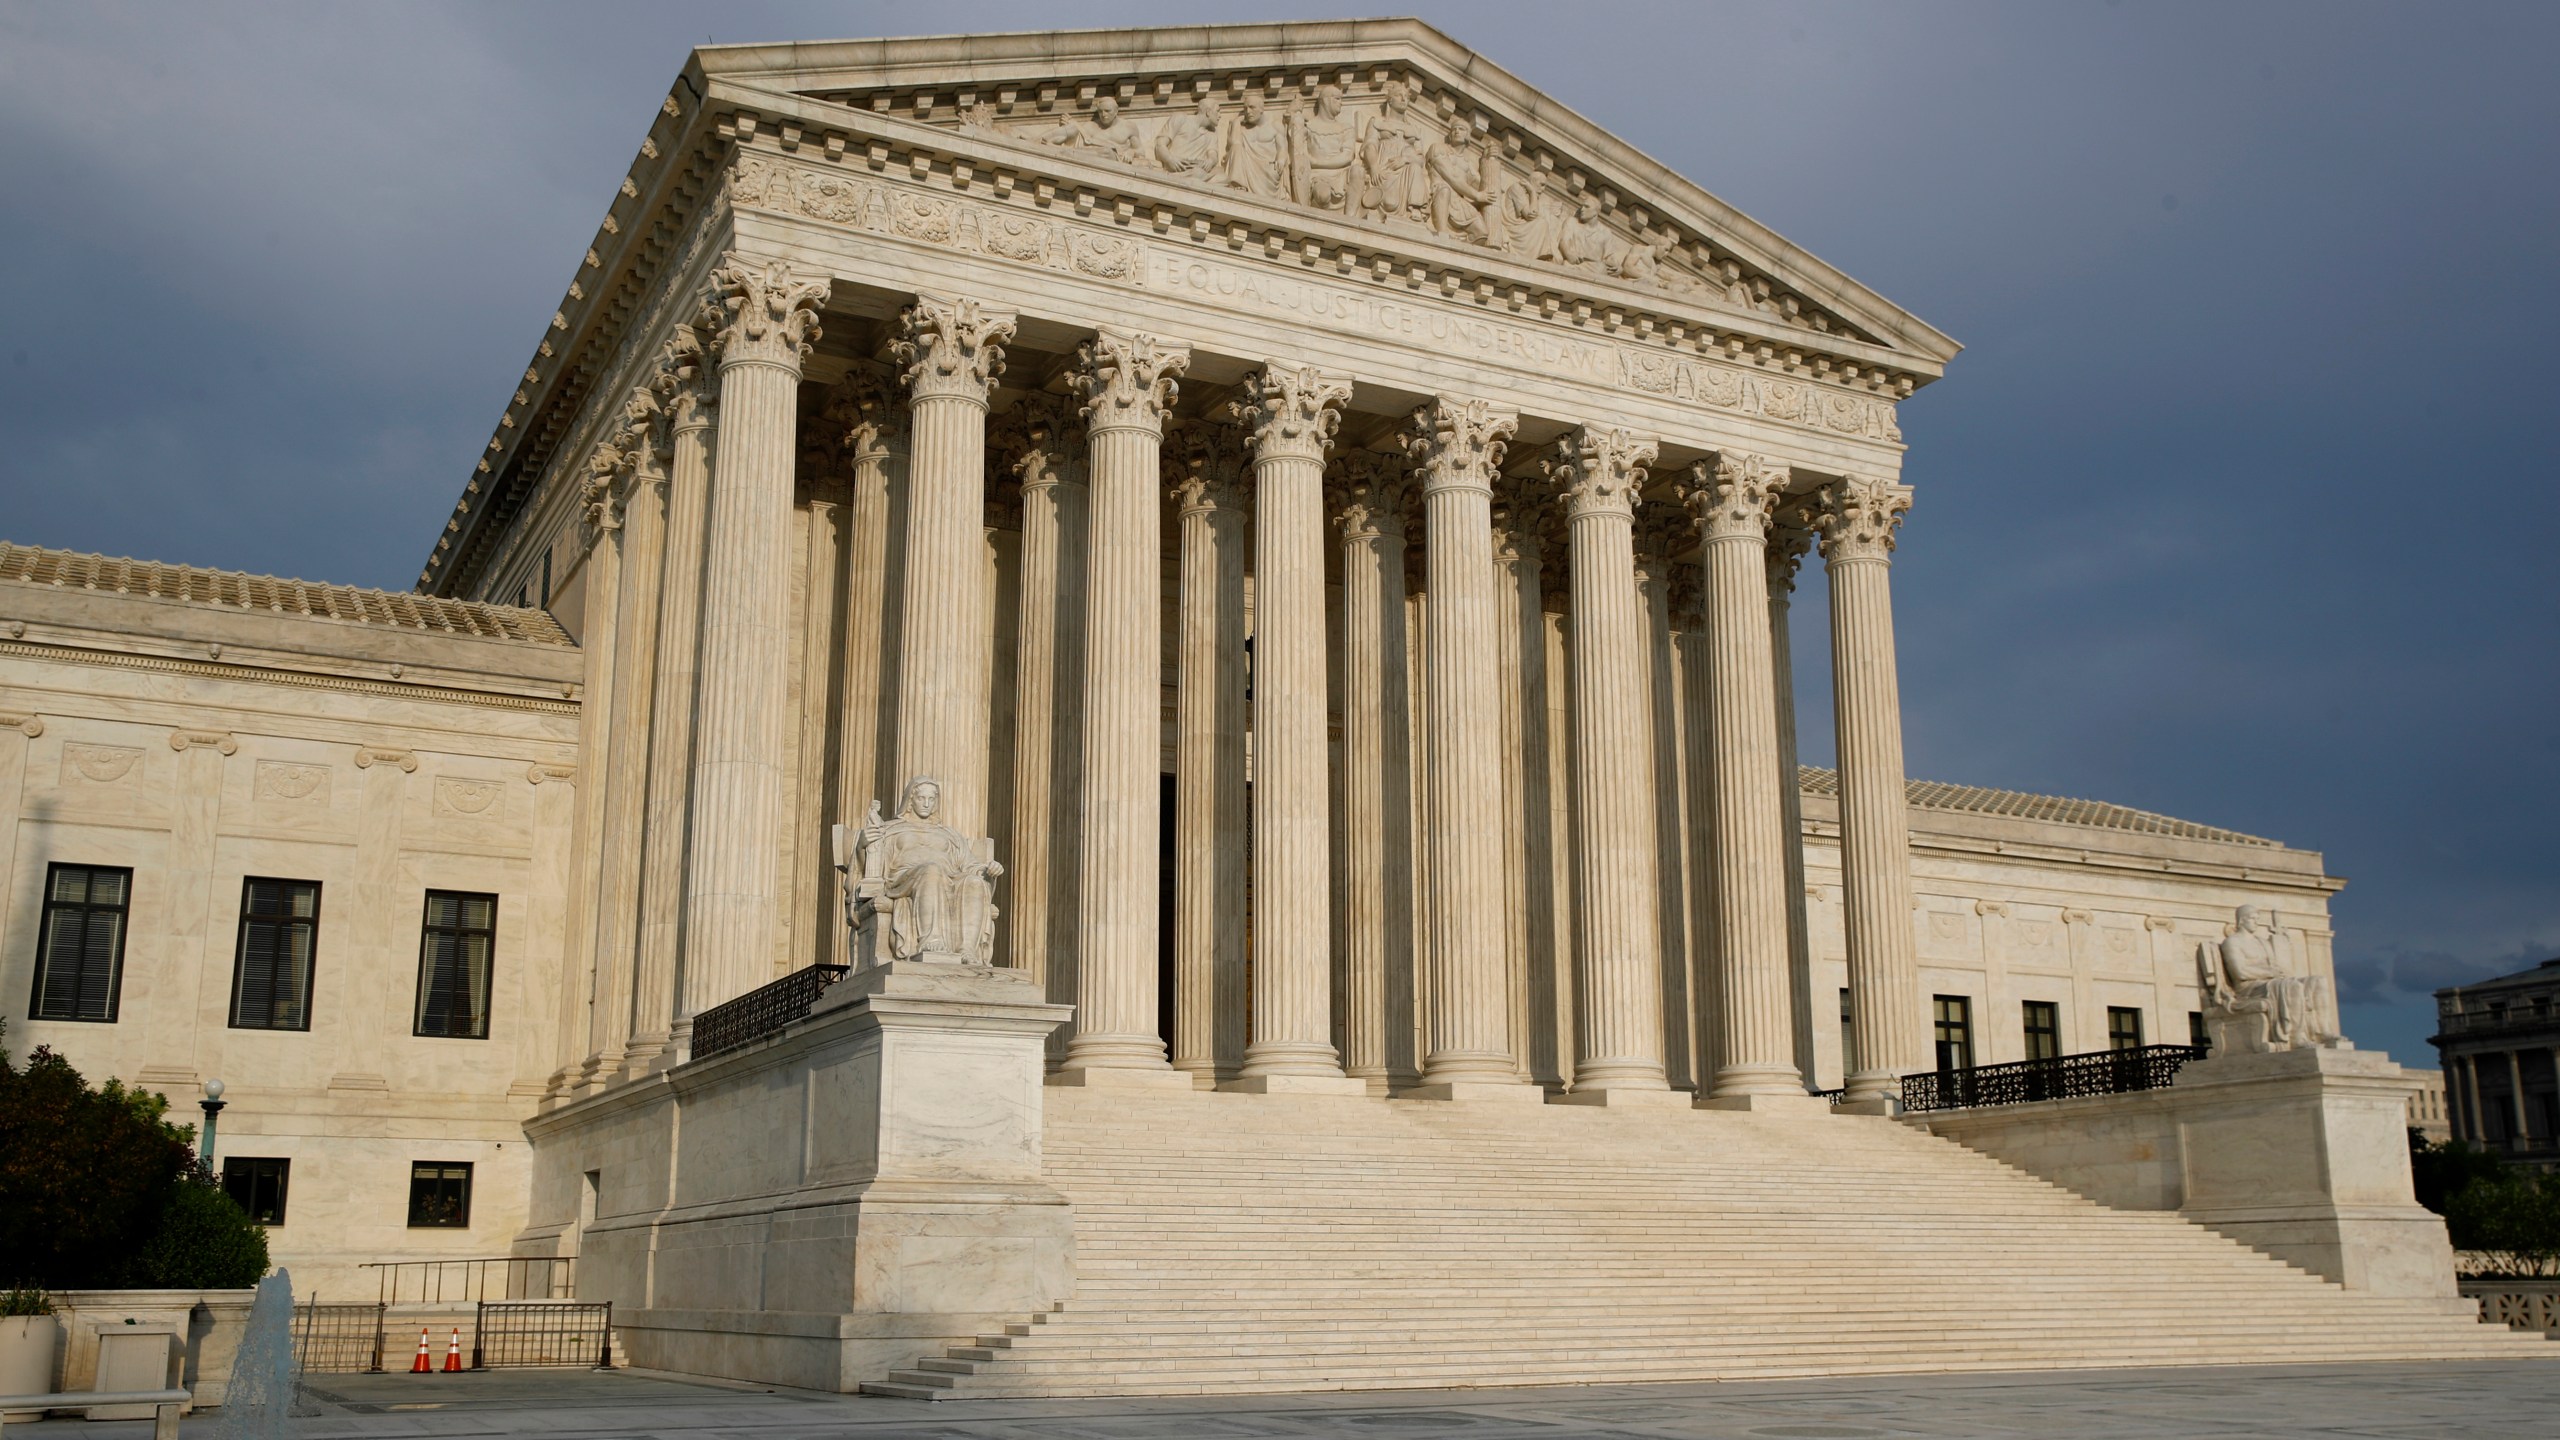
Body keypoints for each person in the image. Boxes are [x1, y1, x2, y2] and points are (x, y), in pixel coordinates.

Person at [856, 776, 1003, 964]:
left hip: (949, 877)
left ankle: (967, 948)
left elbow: (971, 866)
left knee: (974, 882)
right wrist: (862, 845)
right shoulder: (890, 829)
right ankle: (931, 938)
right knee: (931, 870)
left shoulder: (950, 835)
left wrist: (988, 870)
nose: (926, 804)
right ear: (910, 800)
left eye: (931, 799)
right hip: (903, 880)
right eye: (921, 798)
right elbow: (868, 865)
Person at [1291, 84, 1357, 212]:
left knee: (1358, 171)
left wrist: (1316, 162)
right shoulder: (1308, 126)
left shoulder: (1346, 128)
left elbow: (1348, 156)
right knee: (1322, 195)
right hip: (1318, 176)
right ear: (1326, 101)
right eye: (1337, 99)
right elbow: (1300, 155)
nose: (1341, 103)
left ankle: (1351, 220)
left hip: (1341, 175)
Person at [1039, 95, 1146, 167]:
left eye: (1108, 111)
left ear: (1116, 111)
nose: (1104, 115)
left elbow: (1141, 151)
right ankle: (1036, 141)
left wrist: (1131, 152)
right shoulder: (1092, 125)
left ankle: (1060, 151)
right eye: (1100, 111)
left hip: (1112, 156)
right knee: (1072, 128)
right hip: (1086, 149)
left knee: (1107, 152)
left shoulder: (1129, 127)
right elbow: (1083, 136)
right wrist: (1070, 123)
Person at [1222, 92, 1291, 198]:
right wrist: (1236, 122)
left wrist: (1281, 160)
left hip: (1267, 169)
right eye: (1245, 109)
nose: (1248, 112)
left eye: (1251, 107)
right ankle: (1238, 184)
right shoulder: (1242, 128)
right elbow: (1234, 145)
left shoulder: (1275, 125)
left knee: (1273, 171)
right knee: (1237, 148)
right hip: (1247, 168)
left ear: (1261, 109)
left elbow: (1282, 148)